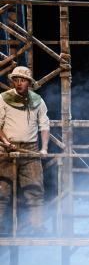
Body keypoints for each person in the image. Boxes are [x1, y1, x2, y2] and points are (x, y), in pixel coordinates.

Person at [0, 66, 50, 235]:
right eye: (16, 80)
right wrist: (6, 142)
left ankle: (37, 226)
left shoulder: (38, 101)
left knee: (35, 188)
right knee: (2, 189)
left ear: (28, 82)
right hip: (7, 149)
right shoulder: (3, 99)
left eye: (22, 80)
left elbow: (44, 125)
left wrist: (44, 148)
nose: (19, 83)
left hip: (30, 149)